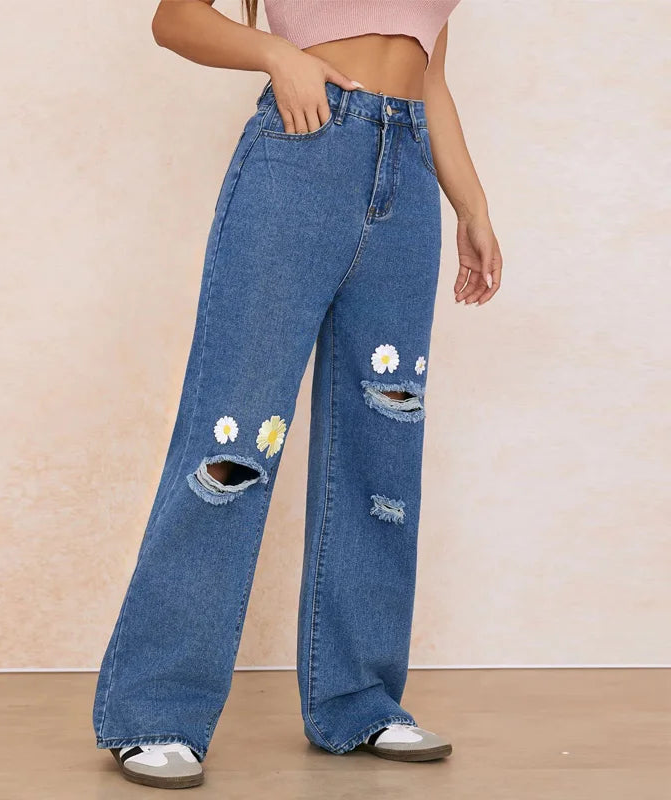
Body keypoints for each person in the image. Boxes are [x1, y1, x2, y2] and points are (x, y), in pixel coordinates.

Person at [93, 0, 503, 788]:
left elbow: (430, 75)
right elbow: (174, 18)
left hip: (409, 173)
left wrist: (472, 206)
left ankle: (359, 699)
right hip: (302, 156)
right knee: (233, 445)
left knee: (382, 446)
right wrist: (276, 55)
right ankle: (155, 710)